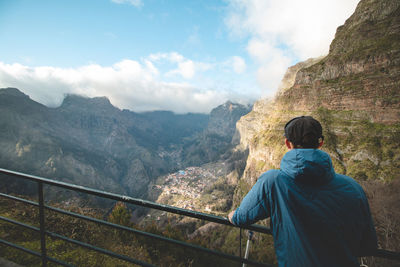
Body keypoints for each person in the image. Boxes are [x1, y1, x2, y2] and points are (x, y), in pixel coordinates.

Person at [228, 116, 377, 267]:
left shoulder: (273, 181)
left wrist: (232, 215)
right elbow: (367, 245)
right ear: (321, 143)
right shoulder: (353, 187)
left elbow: (242, 217)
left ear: (287, 143)